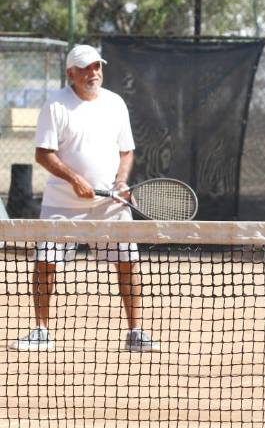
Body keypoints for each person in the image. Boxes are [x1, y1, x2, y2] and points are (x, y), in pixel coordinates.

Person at [9, 44, 159, 353]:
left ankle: (135, 332)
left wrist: (120, 181)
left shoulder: (115, 104)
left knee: (128, 264)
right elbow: (43, 153)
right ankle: (40, 331)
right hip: (61, 204)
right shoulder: (55, 106)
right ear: (71, 73)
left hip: (110, 205)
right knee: (45, 263)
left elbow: (126, 150)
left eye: (97, 67)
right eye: (86, 68)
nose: (94, 73)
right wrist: (74, 179)